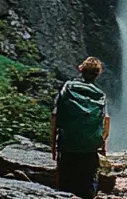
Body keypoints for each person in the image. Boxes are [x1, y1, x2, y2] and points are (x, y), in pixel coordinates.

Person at [52, 57, 110, 199]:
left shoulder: (67, 89)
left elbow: (55, 117)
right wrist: (101, 142)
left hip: (67, 145)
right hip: (89, 149)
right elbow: (106, 121)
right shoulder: (99, 95)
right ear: (98, 74)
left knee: (65, 185)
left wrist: (53, 143)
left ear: (80, 69)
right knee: (87, 186)